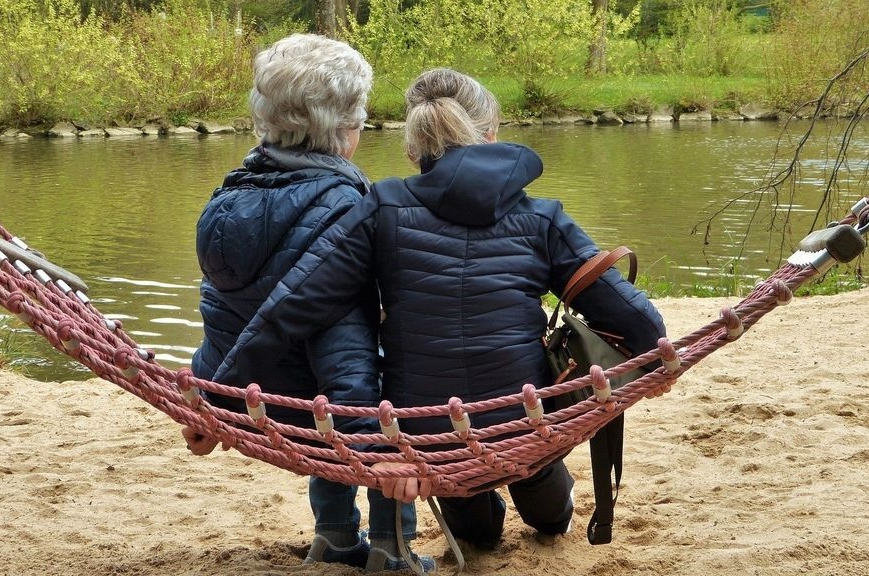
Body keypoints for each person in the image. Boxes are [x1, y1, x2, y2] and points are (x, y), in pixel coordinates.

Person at [212, 68, 666, 549]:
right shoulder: (543, 217)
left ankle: (486, 505)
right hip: (525, 419)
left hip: (430, 437)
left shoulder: (381, 207)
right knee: (544, 497)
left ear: (413, 149)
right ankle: (544, 497)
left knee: (477, 534)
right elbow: (632, 316)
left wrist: (218, 397)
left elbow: (295, 305)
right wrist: (658, 359)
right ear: (491, 135)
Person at [181, 33, 432, 573]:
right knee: (396, 380)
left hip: (251, 395)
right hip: (318, 405)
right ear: (345, 129)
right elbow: (347, 348)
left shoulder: (228, 197)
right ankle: (393, 547)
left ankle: (335, 536)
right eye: (360, 117)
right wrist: (375, 451)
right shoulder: (347, 208)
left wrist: (208, 397)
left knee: (327, 389)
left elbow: (224, 312)